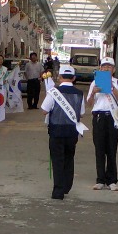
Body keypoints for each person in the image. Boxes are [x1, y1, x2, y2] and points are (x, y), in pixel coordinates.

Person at [41, 64, 85, 200]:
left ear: (59, 77)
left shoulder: (53, 92)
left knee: (57, 160)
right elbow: (81, 113)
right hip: (72, 131)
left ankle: (58, 191)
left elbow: (44, 110)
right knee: (69, 158)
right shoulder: (79, 93)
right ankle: (66, 186)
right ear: (74, 78)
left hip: (56, 131)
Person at [87, 56, 118, 191]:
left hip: (113, 117)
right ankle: (100, 179)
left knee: (111, 149)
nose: (106, 69)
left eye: (109, 67)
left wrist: (111, 87)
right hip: (99, 117)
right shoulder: (95, 83)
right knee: (99, 149)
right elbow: (89, 103)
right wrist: (93, 93)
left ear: (113, 69)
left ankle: (111, 180)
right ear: (100, 68)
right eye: (104, 66)